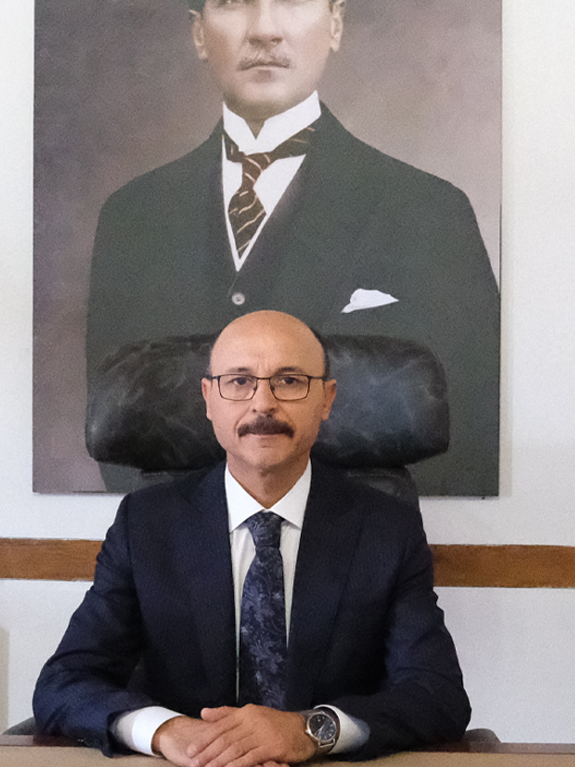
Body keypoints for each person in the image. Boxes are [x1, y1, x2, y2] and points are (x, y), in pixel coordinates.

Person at [84, 0, 500, 499]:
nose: (265, 29)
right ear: (199, 34)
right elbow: (118, 429)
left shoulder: (430, 211)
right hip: (184, 540)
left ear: (335, 24)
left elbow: (470, 424)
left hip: (358, 535)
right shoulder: (133, 217)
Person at [35, 310, 470, 764]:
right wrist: (166, 731)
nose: (263, 404)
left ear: (326, 399)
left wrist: (309, 730)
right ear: (209, 399)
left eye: (290, 381)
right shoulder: (146, 524)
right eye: (239, 382)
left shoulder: (386, 529)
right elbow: (64, 682)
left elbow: (436, 693)